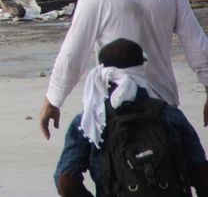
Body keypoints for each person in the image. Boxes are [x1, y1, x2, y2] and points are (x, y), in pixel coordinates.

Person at [40, 0, 208, 141]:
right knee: (190, 163)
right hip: (163, 104)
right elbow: (197, 44)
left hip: (115, 107)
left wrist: (52, 101)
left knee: (72, 164)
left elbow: (73, 54)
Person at [53, 38, 208, 197]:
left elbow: (66, 183)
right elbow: (201, 173)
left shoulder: (90, 123)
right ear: (141, 68)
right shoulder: (169, 115)